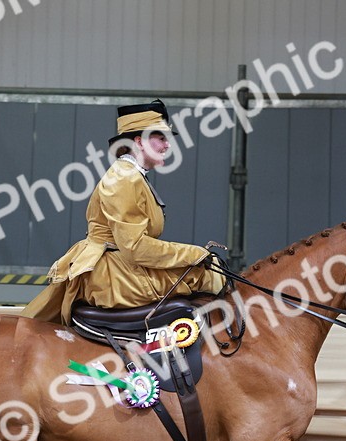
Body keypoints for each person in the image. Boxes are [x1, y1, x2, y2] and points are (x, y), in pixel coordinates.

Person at [21, 100, 226, 325]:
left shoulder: (132, 175)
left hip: (122, 266)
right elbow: (135, 247)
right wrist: (193, 254)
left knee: (211, 268)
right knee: (209, 275)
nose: (168, 145)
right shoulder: (124, 178)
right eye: (161, 138)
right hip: (113, 276)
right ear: (139, 141)